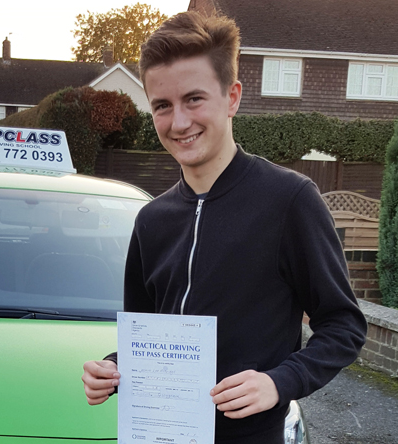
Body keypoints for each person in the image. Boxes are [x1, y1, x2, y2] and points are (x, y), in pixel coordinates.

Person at [81, 11, 367, 444]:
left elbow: (344, 324)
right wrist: (113, 367)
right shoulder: (152, 220)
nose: (179, 122)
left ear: (232, 97)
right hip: (158, 434)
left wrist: (279, 383)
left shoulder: (289, 201)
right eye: (162, 105)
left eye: (194, 99)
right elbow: (147, 336)